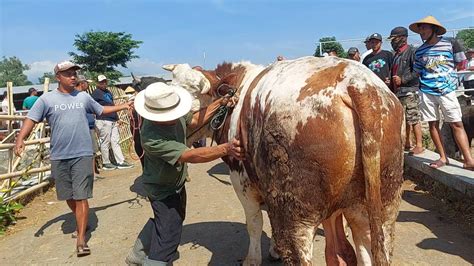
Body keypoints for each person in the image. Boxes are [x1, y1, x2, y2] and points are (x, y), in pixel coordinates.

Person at [14, 61, 133, 256]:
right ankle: (81, 219)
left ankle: (81, 238)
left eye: (74, 73)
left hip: (83, 153)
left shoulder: (83, 97)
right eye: (68, 73)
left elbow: (102, 110)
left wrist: (124, 105)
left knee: (81, 196)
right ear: (58, 77)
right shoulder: (46, 100)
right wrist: (20, 138)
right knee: (67, 196)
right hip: (59, 155)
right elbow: (31, 119)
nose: (73, 76)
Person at [125, 82, 244, 265]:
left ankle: (137, 254)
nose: (176, 117)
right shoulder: (151, 136)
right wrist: (226, 149)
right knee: (168, 238)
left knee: (166, 221)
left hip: (175, 182)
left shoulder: (172, 110)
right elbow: (189, 155)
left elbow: (195, 120)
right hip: (162, 188)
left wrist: (220, 103)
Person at [410, 15, 474, 170]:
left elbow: (460, 64)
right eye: (419, 28)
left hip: (447, 91)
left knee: (456, 123)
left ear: (434, 29)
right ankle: (443, 157)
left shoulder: (450, 44)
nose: (421, 31)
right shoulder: (419, 52)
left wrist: (449, 78)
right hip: (426, 91)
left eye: (424, 27)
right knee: (433, 124)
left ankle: (468, 160)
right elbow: (417, 71)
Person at [389, 26, 424, 155]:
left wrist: (402, 79)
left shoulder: (412, 52)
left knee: (413, 118)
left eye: (395, 38)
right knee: (405, 119)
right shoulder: (396, 55)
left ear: (403, 38)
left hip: (409, 90)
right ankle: (408, 142)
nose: (393, 42)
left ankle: (419, 145)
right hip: (399, 92)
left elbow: (418, 71)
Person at [91, 74, 133, 170]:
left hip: (112, 119)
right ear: (97, 83)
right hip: (103, 119)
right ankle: (106, 162)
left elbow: (113, 105)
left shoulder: (108, 92)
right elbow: (92, 106)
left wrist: (117, 118)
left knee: (115, 141)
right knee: (105, 141)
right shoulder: (95, 93)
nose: (104, 83)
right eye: (101, 82)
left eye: (105, 81)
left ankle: (120, 161)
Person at [75, 75, 102, 179]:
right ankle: (90, 174)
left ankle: (93, 173)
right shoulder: (80, 96)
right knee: (89, 151)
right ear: (82, 83)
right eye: (87, 83)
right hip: (85, 127)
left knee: (92, 151)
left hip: (89, 126)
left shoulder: (83, 95)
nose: (88, 85)